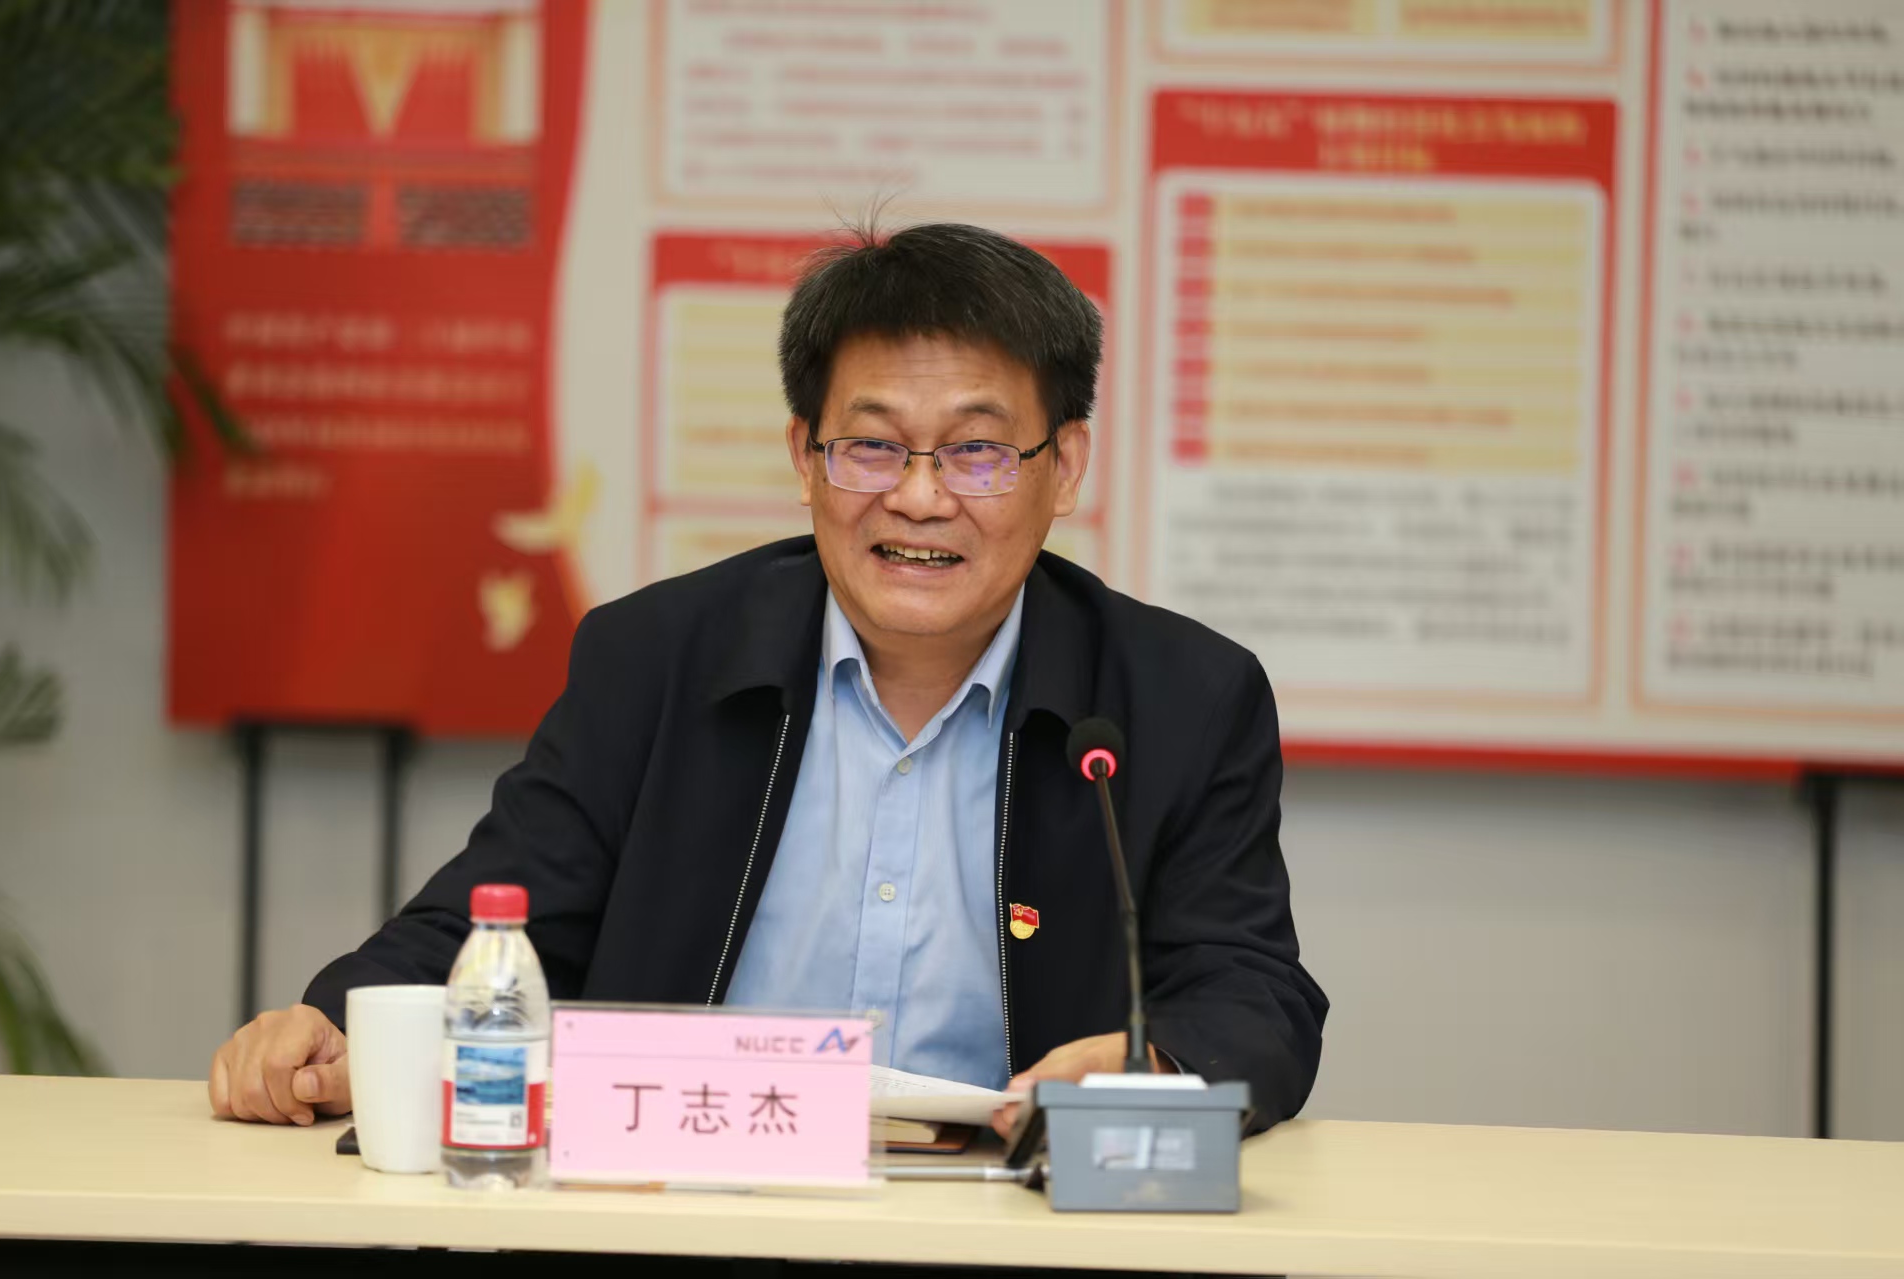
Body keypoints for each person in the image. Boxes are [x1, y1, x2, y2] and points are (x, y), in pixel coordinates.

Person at [209, 222, 1326, 1137]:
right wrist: (334, 1021)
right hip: (689, 1207)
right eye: (871, 446)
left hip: (1013, 1222)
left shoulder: (1178, 698)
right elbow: (496, 920)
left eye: (977, 452)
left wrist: (1156, 1063)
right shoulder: (657, 658)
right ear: (805, 457)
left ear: (1063, 467)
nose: (920, 498)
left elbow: (1253, 995)